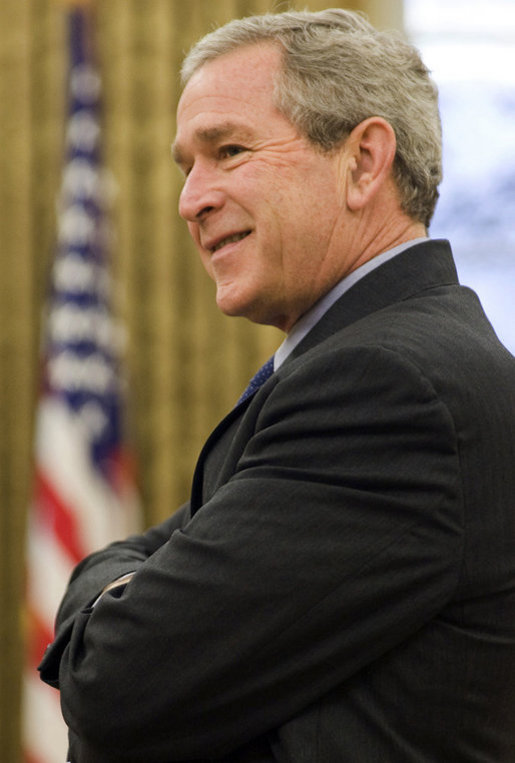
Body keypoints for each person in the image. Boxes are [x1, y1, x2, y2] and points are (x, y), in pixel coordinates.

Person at [39, 9, 515, 762]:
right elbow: (148, 572)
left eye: (227, 150)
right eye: (186, 165)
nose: (189, 200)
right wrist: (119, 586)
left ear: (362, 162)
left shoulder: (388, 388)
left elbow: (113, 681)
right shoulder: (366, 361)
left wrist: (106, 593)